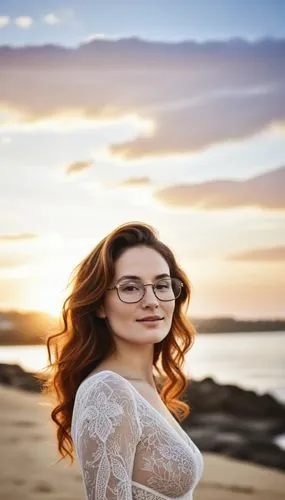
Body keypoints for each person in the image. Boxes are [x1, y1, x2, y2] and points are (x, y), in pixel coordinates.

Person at [43, 221, 204, 499]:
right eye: (130, 288)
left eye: (162, 285)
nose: (152, 300)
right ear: (99, 305)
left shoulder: (144, 387)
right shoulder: (107, 390)